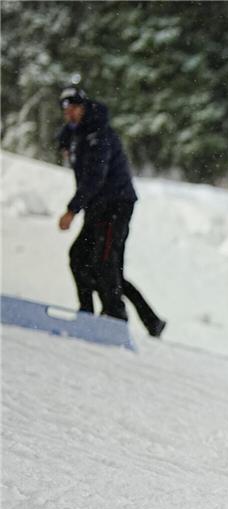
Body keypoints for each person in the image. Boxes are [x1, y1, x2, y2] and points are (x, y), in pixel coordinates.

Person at [56, 86, 166, 337]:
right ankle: (91, 313)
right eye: (66, 110)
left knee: (104, 263)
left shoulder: (99, 134)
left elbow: (95, 177)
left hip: (116, 204)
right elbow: (68, 144)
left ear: (84, 107)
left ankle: (115, 318)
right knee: (80, 258)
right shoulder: (76, 135)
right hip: (97, 206)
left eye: (75, 108)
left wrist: (72, 210)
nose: (70, 113)